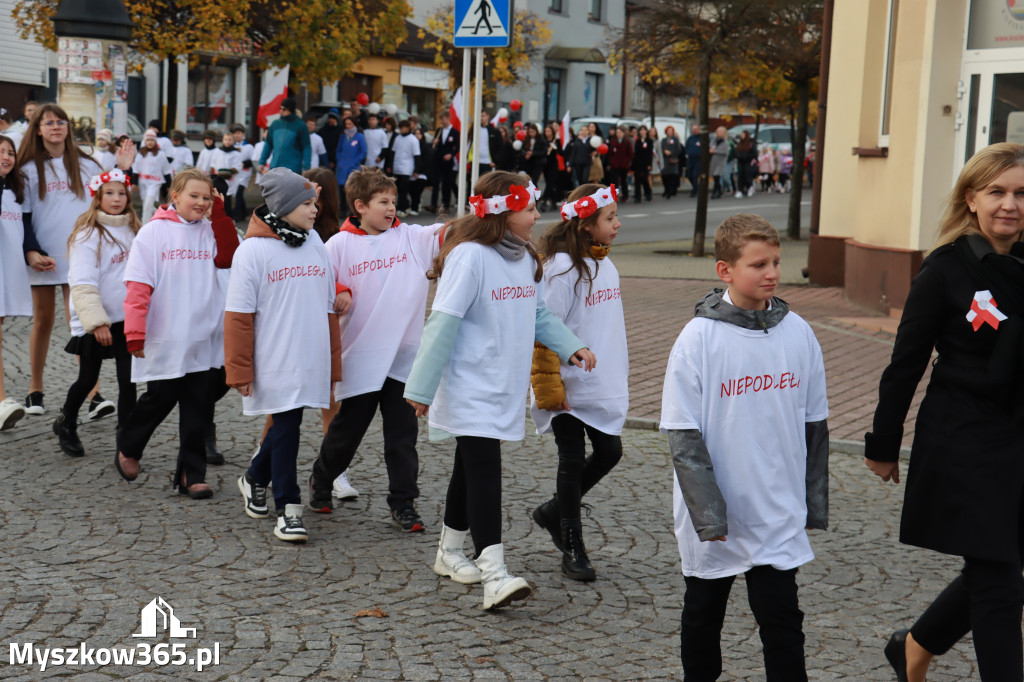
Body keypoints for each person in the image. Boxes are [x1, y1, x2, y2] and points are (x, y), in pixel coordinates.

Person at [864, 142, 1024, 682]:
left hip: (1018, 436)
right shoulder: (946, 270)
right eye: (997, 192)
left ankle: (914, 646)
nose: (1011, 204)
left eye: (1022, 193)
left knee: (999, 567)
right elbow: (905, 363)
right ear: (971, 198)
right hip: (963, 439)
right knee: (1000, 577)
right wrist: (883, 446)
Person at [403, 171, 596, 610]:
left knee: (468, 467)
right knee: (485, 470)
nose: (536, 215)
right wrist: (421, 387)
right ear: (501, 212)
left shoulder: (526, 257)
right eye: (528, 208)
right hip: (469, 384)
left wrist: (572, 346)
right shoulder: (469, 257)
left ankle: (449, 552)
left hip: (502, 385)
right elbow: (443, 322)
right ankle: (494, 573)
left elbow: (538, 313)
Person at [661, 213, 829, 681]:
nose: (772, 273)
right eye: (758, 264)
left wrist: (812, 502)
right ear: (725, 271)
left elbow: (815, 424)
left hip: (775, 507)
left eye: (776, 262)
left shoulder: (798, 332)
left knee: (782, 620)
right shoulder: (699, 339)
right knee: (703, 614)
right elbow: (683, 436)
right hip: (718, 511)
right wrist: (711, 515)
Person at [307, 166, 442, 530]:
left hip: (402, 359)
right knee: (346, 434)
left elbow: (448, 234)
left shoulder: (411, 238)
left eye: (394, 201)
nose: (391, 208)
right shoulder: (338, 244)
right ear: (360, 205)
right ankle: (321, 479)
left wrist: (489, 209)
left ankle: (404, 503)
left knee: (402, 437)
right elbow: (320, 279)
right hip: (362, 357)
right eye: (383, 202)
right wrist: (338, 290)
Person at [227, 168, 341, 543]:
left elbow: (328, 308)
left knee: (288, 424)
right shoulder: (253, 251)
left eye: (314, 202)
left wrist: (333, 361)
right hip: (274, 357)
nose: (315, 209)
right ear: (285, 206)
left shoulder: (315, 243)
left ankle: (255, 477)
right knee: (288, 426)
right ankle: (288, 509)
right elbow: (239, 316)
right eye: (307, 203)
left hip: (310, 353)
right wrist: (240, 369)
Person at [115, 169, 239, 498]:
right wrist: (134, 332)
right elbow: (138, 284)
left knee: (198, 405)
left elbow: (229, 258)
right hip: (166, 334)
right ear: (175, 197)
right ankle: (129, 445)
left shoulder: (213, 230)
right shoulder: (153, 234)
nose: (201, 202)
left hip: (204, 335)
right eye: (194, 196)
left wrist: (221, 215)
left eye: (206, 197)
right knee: (160, 397)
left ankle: (191, 473)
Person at [530, 183, 628, 582]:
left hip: (599, 380)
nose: (618, 224)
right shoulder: (561, 268)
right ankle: (572, 541)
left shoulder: (604, 262)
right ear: (587, 225)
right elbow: (544, 328)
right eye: (610, 218)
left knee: (609, 451)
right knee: (571, 460)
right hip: (567, 383)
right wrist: (550, 388)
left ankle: (554, 511)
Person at [17, 103, 133, 417]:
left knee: (80, 324)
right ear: (37, 129)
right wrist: (31, 251)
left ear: (69, 127)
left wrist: (124, 167)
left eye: (61, 122)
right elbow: (24, 216)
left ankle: (93, 394)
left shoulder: (87, 164)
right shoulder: (27, 168)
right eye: (48, 123)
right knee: (43, 321)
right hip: (45, 255)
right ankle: (35, 389)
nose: (56, 127)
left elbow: (114, 194)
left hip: (80, 252)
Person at [53, 169, 139, 457]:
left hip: (127, 319)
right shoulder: (88, 233)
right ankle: (66, 422)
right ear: (98, 197)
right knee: (88, 379)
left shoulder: (135, 229)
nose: (116, 199)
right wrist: (96, 321)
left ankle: (126, 442)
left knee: (129, 381)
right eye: (109, 193)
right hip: (97, 320)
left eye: (121, 193)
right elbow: (81, 280)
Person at [0, 134, 48, 430]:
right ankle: (2, 399)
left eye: (10, 152)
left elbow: (21, 229)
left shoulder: (13, 191)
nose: (6, 156)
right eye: (0, 151)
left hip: (7, 270)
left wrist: (34, 254)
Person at [259, 97, 310, 174]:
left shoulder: (301, 126)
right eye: (280, 108)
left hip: (293, 169)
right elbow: (268, 144)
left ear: (291, 110)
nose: (281, 111)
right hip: (275, 167)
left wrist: (306, 167)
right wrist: (262, 162)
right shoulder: (275, 124)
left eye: (284, 109)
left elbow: (306, 147)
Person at [133, 129, 173, 224]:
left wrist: (169, 186)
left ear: (155, 141)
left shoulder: (161, 154)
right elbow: (136, 169)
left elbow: (166, 171)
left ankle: (144, 226)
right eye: (148, 140)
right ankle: (159, 220)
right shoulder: (140, 154)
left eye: (152, 140)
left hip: (155, 183)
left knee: (148, 204)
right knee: (148, 205)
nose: (150, 142)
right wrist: (134, 183)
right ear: (145, 141)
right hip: (143, 183)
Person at [389, 120, 420, 217]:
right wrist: (390, 166)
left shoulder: (413, 140)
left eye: (403, 128)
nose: (402, 130)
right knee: (396, 189)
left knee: (403, 189)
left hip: (407, 168)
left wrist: (416, 170)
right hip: (397, 167)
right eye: (400, 128)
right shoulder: (397, 138)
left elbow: (417, 156)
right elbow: (393, 152)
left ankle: (402, 208)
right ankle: (403, 205)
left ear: (408, 128)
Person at [429, 111, 458, 213]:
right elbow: (435, 144)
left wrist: (451, 154)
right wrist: (435, 142)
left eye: (442, 119)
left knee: (447, 184)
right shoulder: (439, 130)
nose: (441, 121)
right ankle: (433, 205)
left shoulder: (455, 132)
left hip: (448, 161)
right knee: (436, 183)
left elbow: (457, 146)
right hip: (438, 160)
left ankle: (446, 206)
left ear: (447, 118)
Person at [336, 116, 367, 211]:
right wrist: (339, 160)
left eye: (350, 124)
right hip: (342, 166)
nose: (348, 126)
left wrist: (356, 161)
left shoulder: (359, 136)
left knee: (353, 189)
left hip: (353, 166)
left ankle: (352, 209)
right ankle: (342, 209)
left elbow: (363, 151)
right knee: (341, 188)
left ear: (354, 124)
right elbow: (338, 149)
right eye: (346, 124)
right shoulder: (343, 136)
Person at [208, 131, 243, 208]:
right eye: (226, 139)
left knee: (227, 199)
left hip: (229, 179)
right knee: (217, 197)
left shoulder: (236, 153)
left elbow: (238, 166)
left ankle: (228, 215)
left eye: (229, 140)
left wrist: (229, 172)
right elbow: (213, 163)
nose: (227, 141)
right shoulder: (218, 151)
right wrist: (211, 174)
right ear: (223, 141)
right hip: (218, 178)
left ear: (233, 141)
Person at [231, 124, 254, 221]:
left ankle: (237, 215)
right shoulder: (232, 146)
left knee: (239, 192)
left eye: (239, 133)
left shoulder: (248, 146)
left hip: (245, 173)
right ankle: (244, 212)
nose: (237, 135)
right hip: (235, 173)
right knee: (237, 193)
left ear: (243, 134)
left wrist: (245, 163)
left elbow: (253, 160)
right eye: (235, 133)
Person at [607, 126, 633, 202]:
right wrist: (611, 162)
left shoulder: (626, 141)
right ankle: (614, 196)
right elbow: (610, 154)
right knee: (614, 181)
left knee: (623, 181)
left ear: (623, 133)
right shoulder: (613, 141)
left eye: (620, 133)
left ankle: (625, 195)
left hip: (624, 165)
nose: (618, 134)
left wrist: (627, 162)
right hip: (615, 165)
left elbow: (630, 154)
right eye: (617, 132)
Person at [410, 127, 431, 216]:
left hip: (422, 173)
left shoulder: (425, 146)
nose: (417, 135)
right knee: (411, 190)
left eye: (419, 133)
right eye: (415, 133)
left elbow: (426, 161)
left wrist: (418, 171)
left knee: (417, 191)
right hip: (411, 171)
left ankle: (415, 207)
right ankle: (414, 204)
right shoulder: (411, 144)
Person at [632, 125, 653, 203]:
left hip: (645, 163)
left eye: (644, 130)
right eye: (641, 130)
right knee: (637, 180)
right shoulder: (637, 141)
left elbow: (650, 153)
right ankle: (638, 197)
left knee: (644, 179)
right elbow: (636, 152)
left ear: (646, 131)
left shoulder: (649, 141)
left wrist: (649, 164)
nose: (642, 131)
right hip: (638, 163)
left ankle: (648, 194)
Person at [733, 130, 757, 198]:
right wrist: (738, 156)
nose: (741, 136)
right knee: (740, 176)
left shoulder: (750, 144)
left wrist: (748, 157)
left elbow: (754, 154)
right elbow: (736, 152)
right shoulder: (739, 144)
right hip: (740, 162)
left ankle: (749, 188)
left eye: (743, 134)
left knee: (747, 175)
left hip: (748, 162)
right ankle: (740, 190)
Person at [661, 126, 683, 199]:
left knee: (671, 177)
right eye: (668, 130)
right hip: (665, 160)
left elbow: (679, 149)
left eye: (671, 131)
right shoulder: (663, 140)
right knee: (665, 176)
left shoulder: (675, 140)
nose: (669, 132)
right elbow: (661, 148)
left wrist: (671, 153)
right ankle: (666, 190)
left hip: (672, 161)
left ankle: (669, 192)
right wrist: (664, 152)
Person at [709, 126, 729, 199]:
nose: (720, 133)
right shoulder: (713, 140)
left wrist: (715, 151)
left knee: (717, 176)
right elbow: (710, 147)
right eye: (718, 132)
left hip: (721, 161)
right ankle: (719, 190)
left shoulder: (725, 142)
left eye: (722, 132)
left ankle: (715, 192)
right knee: (715, 177)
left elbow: (725, 152)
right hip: (714, 161)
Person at [684, 124, 702, 197]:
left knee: (695, 175)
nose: (694, 130)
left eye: (696, 129)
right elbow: (687, 147)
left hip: (698, 159)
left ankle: (694, 191)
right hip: (690, 159)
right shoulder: (690, 138)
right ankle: (696, 187)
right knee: (689, 175)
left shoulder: (701, 138)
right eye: (693, 129)